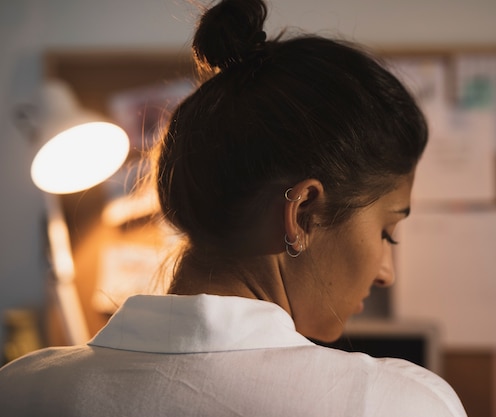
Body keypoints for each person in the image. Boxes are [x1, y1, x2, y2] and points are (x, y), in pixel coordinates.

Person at [0, 0, 467, 415]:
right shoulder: (398, 404)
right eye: (388, 232)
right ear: (302, 213)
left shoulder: (21, 390)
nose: (386, 272)